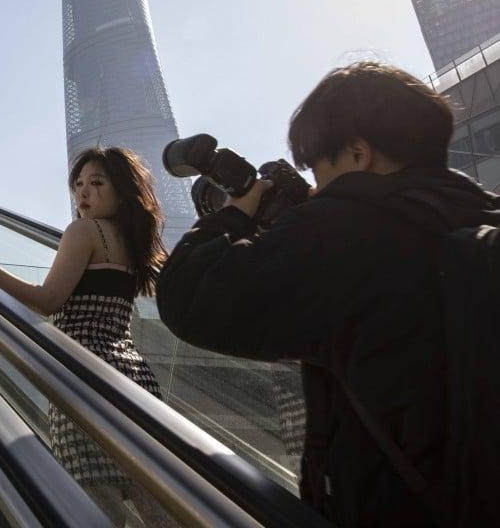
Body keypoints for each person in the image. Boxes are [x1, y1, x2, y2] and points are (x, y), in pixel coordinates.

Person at [156, 62, 500, 526]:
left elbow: (187, 296)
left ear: (358, 152)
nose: (318, 189)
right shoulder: (477, 214)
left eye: (320, 167)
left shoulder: (349, 227)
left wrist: (237, 213)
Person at [0, 146, 168, 525]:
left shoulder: (84, 231)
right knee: (164, 504)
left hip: (81, 379)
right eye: (78, 184)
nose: (83, 193)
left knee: (97, 510)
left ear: (121, 191)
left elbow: (46, 300)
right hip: (136, 384)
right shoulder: (134, 245)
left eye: (97, 183)